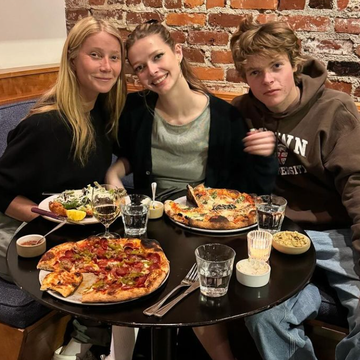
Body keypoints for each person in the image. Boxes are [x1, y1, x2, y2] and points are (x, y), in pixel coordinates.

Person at [106, 20, 278, 360]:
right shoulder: (135, 111)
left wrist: (267, 156)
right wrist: (115, 171)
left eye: (158, 57)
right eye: (140, 67)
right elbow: (129, 155)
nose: (152, 72)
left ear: (178, 52)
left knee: (195, 288)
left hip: (203, 227)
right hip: (153, 222)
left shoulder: (226, 119)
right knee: (117, 278)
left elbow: (249, 192)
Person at [0, 16, 135, 360]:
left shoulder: (101, 111)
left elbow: (130, 156)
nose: (107, 67)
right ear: (73, 58)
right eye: (95, 55)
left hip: (67, 227)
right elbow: (1, 193)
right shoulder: (45, 124)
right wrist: (47, 215)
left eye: (114, 57)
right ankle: (79, 346)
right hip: (19, 230)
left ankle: (95, 341)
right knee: (96, 263)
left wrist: (113, 177)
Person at [230, 16, 360, 360]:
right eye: (255, 72)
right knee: (262, 314)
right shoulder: (242, 112)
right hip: (276, 235)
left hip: (338, 233)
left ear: (294, 63)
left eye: (276, 66)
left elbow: (357, 183)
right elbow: (232, 186)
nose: (268, 80)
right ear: (245, 78)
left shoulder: (335, 108)